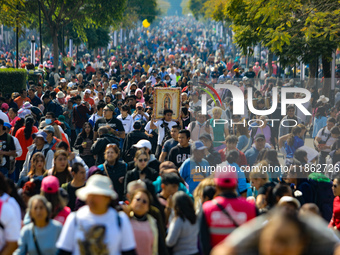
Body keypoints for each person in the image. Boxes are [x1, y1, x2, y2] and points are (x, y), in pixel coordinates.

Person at [56, 175, 137, 254]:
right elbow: (63, 251)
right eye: (89, 194)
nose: (91, 198)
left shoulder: (120, 220)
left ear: (107, 198)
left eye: (96, 195)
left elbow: (129, 252)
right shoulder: (74, 219)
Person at [199, 166, 257, 255]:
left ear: (216, 185)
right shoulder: (251, 207)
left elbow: (204, 243)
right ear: (235, 184)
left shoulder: (206, 209)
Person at [127, 189, 160, 255]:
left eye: (144, 201)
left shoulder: (153, 223)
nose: (140, 202)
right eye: (138, 199)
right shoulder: (124, 219)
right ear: (131, 201)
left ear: (148, 207)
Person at [14, 116, 38, 182]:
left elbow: (15, 144)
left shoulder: (19, 131)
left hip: (19, 157)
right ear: (33, 123)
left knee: (19, 178)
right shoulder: (35, 130)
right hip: (31, 157)